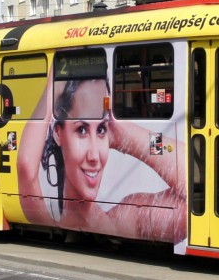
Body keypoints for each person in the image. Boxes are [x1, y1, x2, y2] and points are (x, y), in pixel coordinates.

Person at [18, 76, 186, 243]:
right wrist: (52, 88)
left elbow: (193, 192)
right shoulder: (43, 214)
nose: (94, 157)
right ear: (58, 133)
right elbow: (25, 165)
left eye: (101, 129)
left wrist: (123, 132)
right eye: (82, 130)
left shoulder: (125, 218)